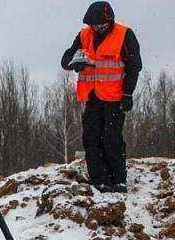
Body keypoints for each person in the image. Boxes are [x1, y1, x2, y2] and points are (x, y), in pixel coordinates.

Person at [61, 1, 142, 194]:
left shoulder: (124, 35)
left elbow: (134, 66)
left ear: (109, 21)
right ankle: (99, 181)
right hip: (93, 97)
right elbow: (66, 59)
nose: (98, 28)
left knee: (111, 139)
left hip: (115, 98)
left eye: (101, 25)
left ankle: (118, 180)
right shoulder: (84, 35)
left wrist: (128, 93)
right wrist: (75, 64)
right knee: (91, 138)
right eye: (94, 25)